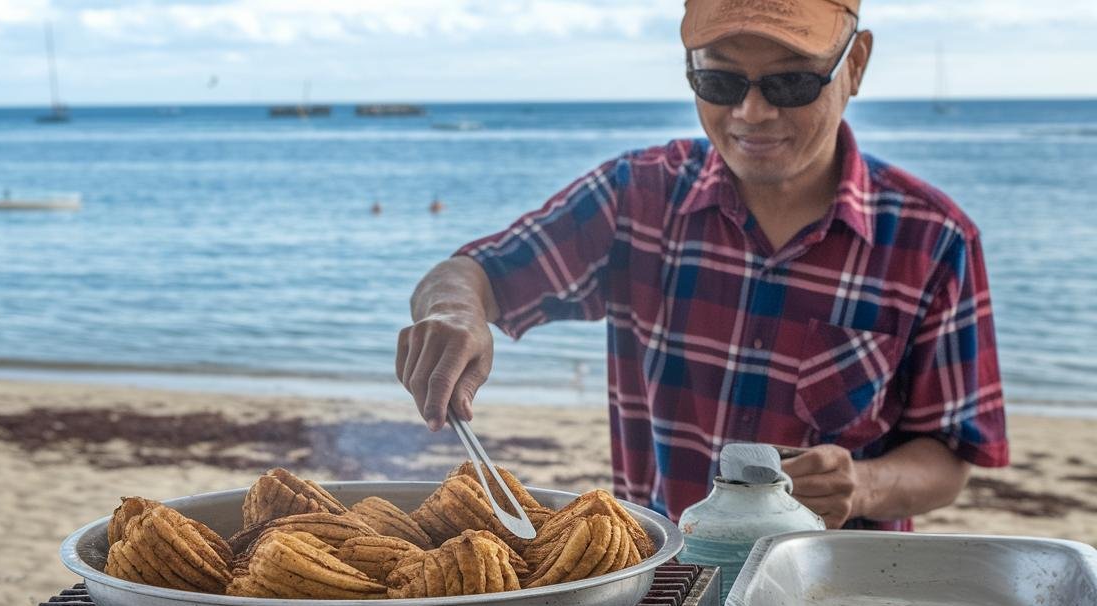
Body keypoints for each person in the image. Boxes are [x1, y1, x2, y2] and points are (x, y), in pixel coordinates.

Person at [395, 0, 1008, 530]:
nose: (752, 113)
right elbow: (475, 273)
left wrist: (865, 486)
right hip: (666, 588)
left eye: (790, 84)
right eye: (719, 84)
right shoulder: (635, 196)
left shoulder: (934, 239)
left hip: (832, 596)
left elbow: (949, 458)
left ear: (855, 64)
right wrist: (455, 313)